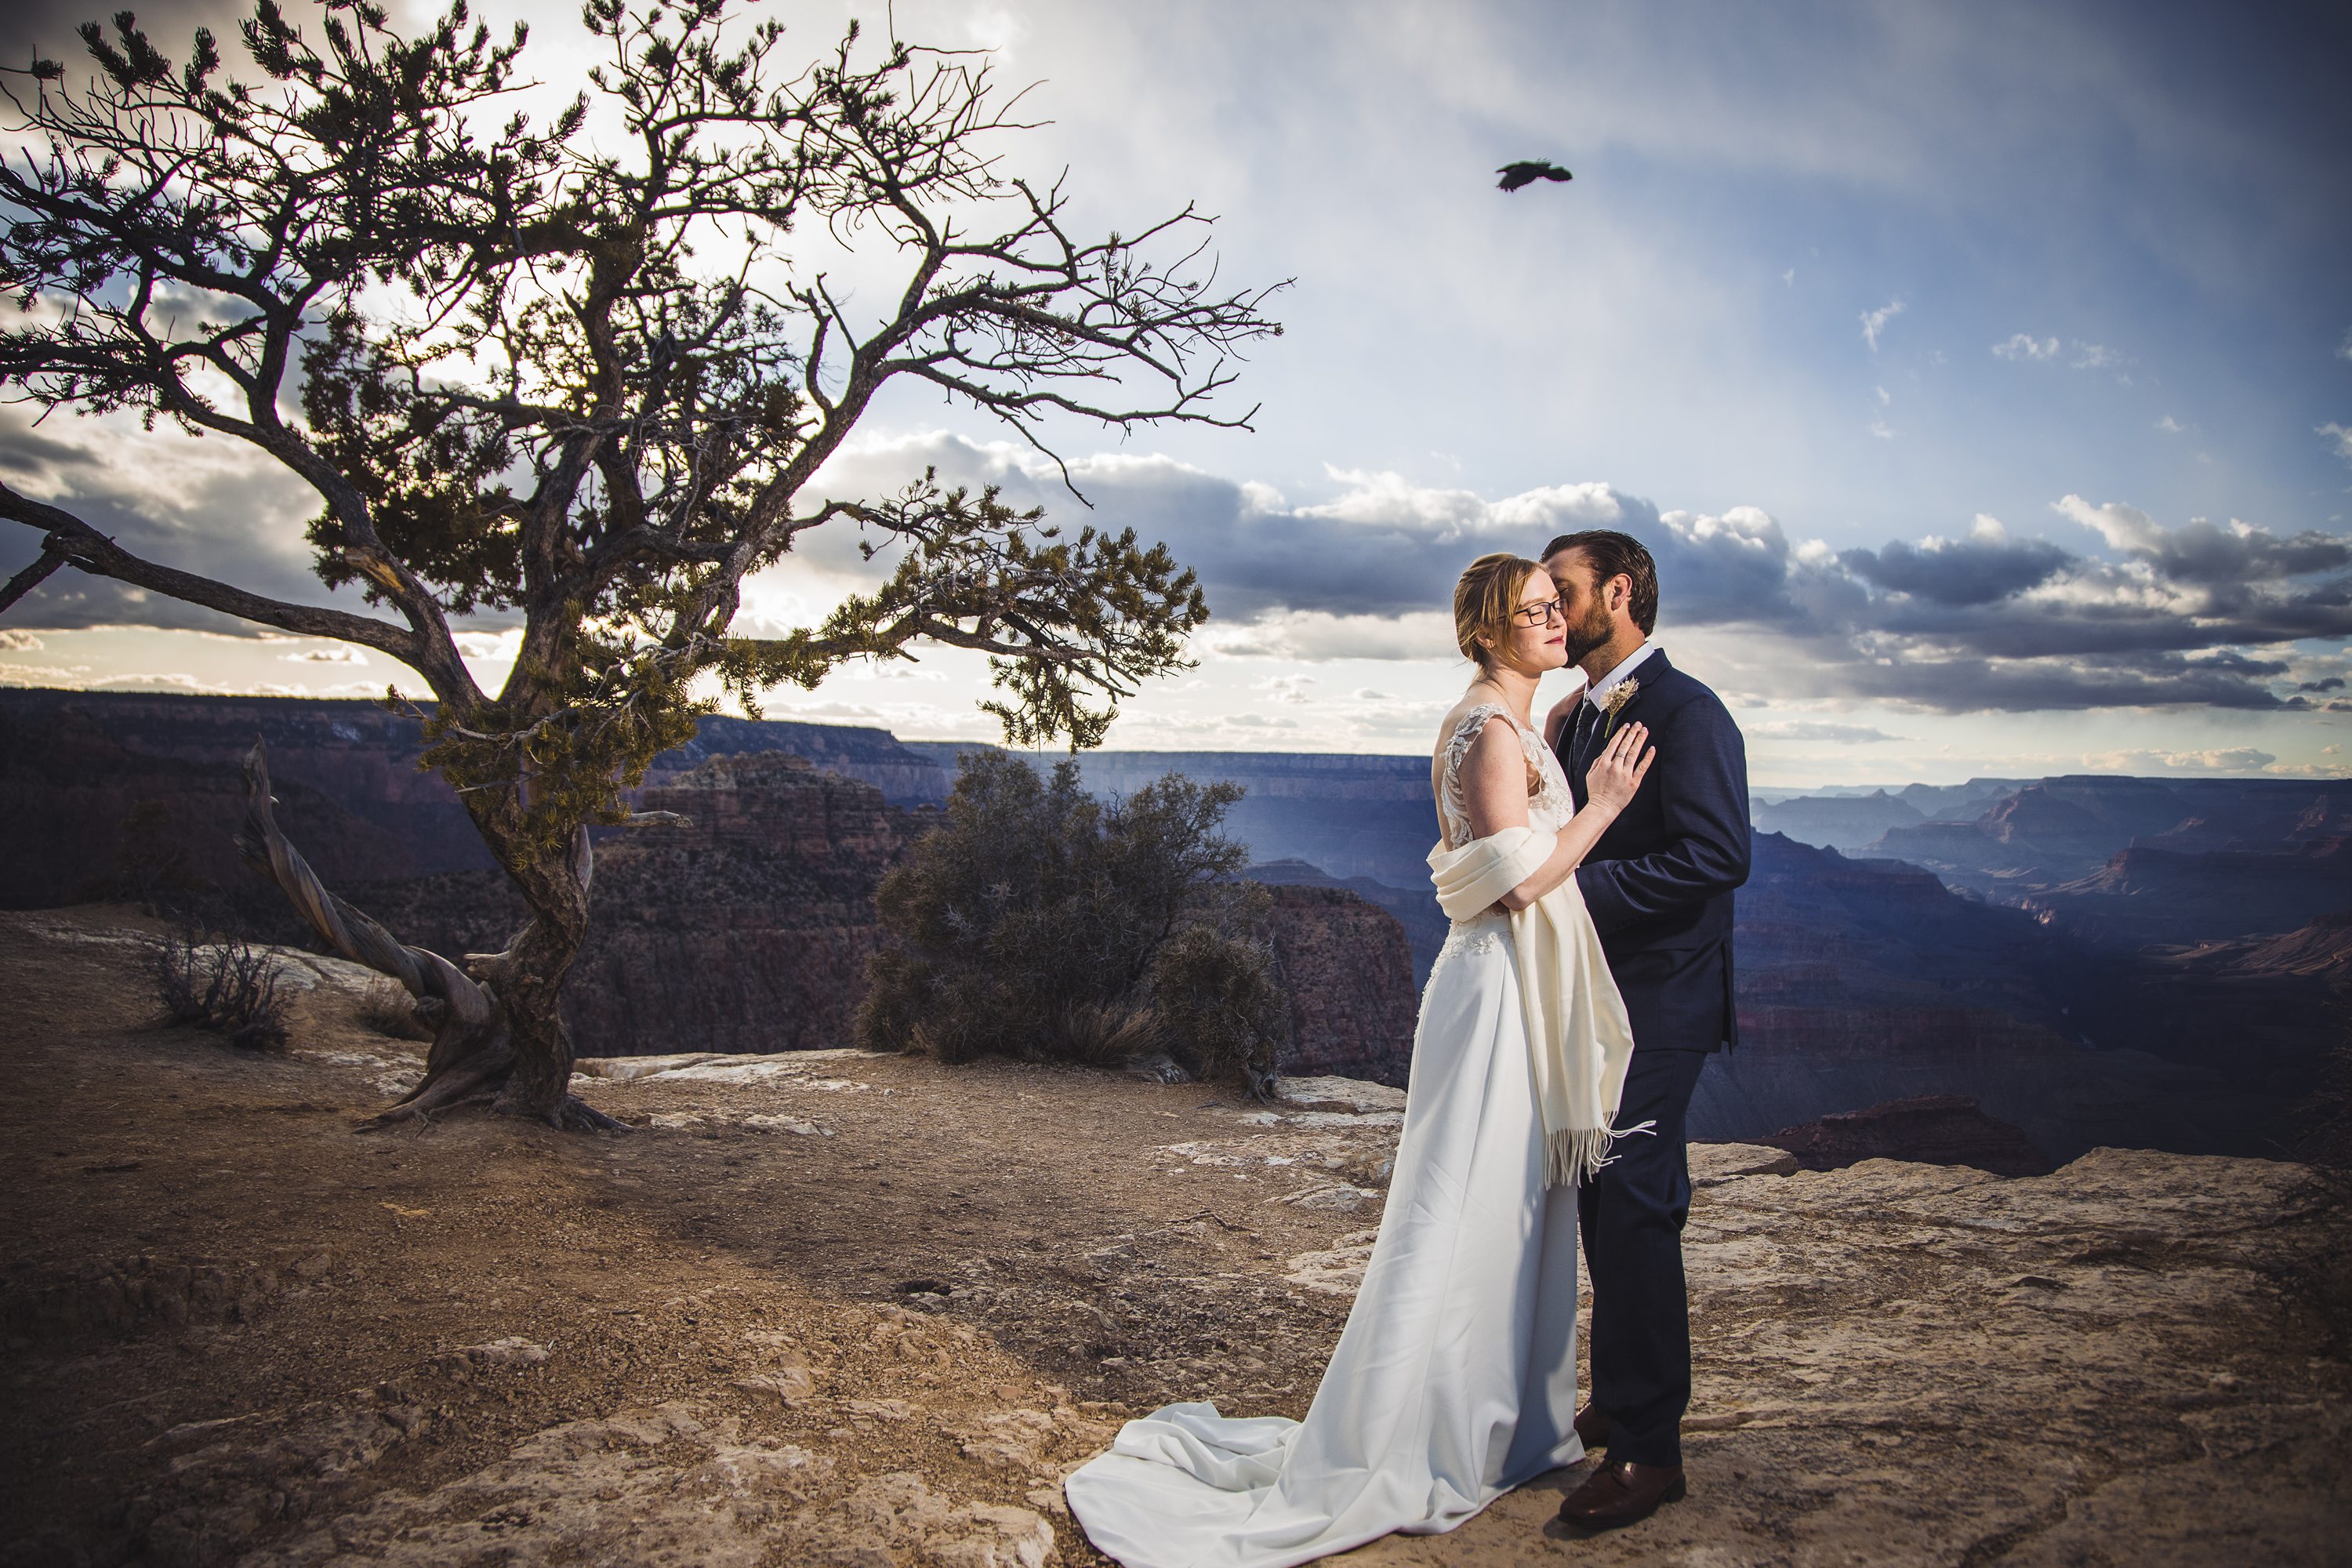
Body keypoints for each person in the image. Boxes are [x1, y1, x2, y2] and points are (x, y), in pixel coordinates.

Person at [1064, 554, 1656, 1568]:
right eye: (1533, 612)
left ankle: (1502, 1424)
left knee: (1513, 1216)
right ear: (1486, 631)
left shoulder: (1517, 723)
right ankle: (1411, 1436)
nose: (1555, 621)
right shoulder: (1483, 726)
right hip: (1494, 996)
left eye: (1558, 607)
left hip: (1522, 993)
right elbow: (1515, 888)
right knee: (1456, 1209)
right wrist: (1600, 806)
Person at [1540, 528, 1751, 1532]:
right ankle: (1621, 1394)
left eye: (1564, 590)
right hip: (1595, 1000)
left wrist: (1579, 891)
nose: (1549, 606)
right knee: (1597, 1195)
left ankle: (1650, 1451)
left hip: (1662, 1002)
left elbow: (1717, 855)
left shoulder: (1686, 709)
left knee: (1633, 1199)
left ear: (1617, 593)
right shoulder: (1578, 711)